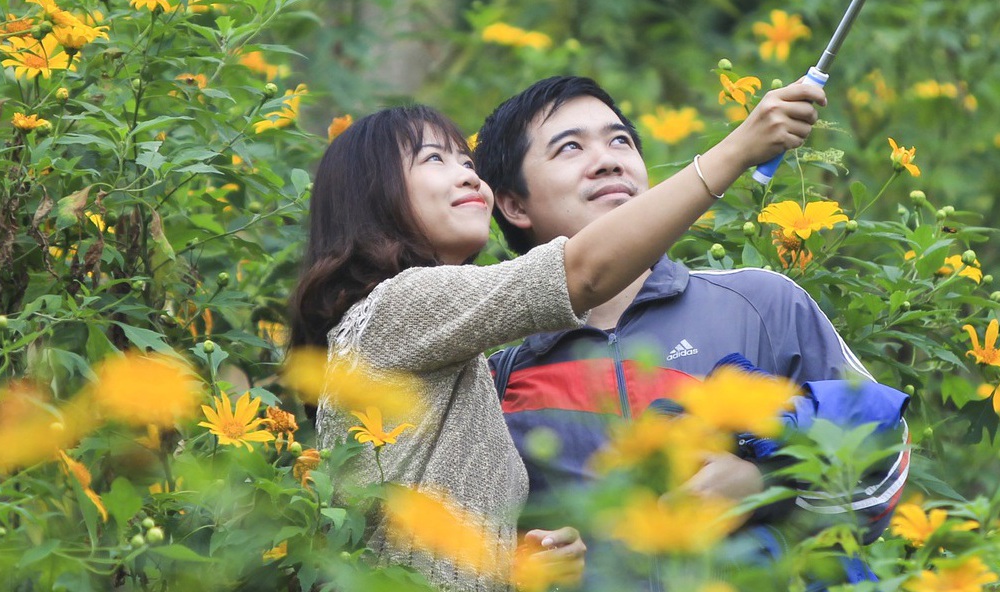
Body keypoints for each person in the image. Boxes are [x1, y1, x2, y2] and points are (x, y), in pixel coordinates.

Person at [286, 88, 824, 592]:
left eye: (469, 163)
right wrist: (738, 149)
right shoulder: (398, 309)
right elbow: (584, 272)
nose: (471, 178)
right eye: (435, 160)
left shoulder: (458, 355)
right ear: (370, 197)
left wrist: (520, 559)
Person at [472, 76, 910, 583]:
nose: (610, 159)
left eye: (620, 141)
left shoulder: (760, 303)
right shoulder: (499, 378)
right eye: (570, 147)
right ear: (515, 205)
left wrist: (760, 483)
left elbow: (888, 458)